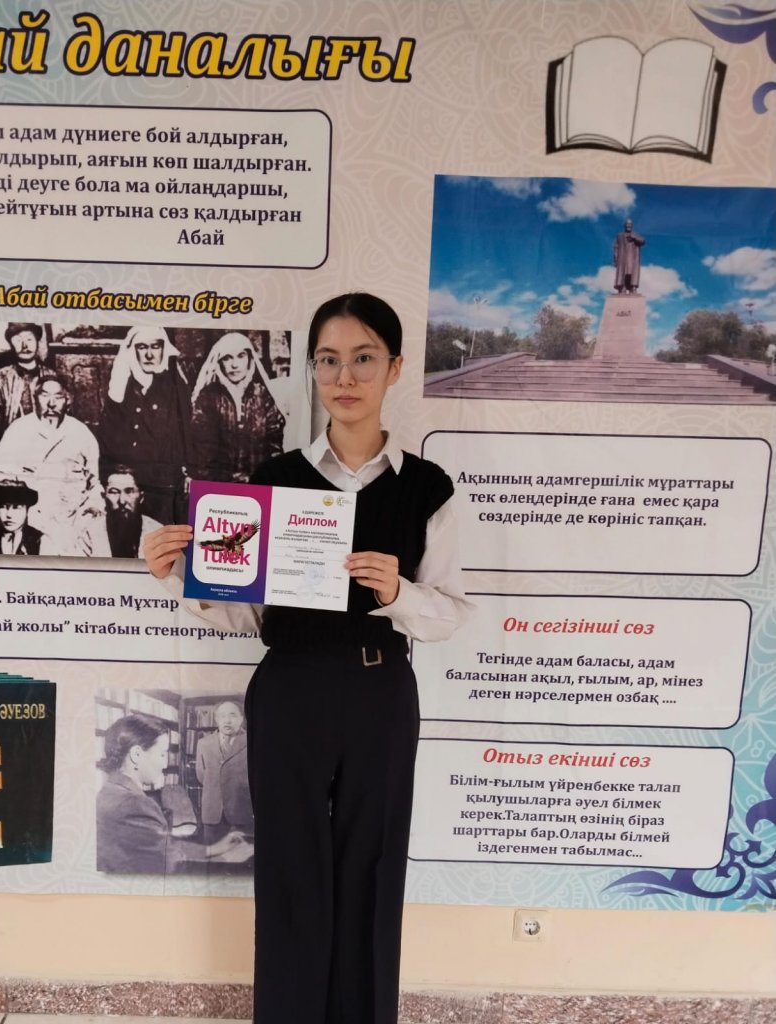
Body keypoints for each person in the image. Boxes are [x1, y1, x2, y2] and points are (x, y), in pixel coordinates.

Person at [144, 293, 472, 1024]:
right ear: (312, 370)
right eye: (329, 360)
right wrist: (178, 576)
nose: (344, 377)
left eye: (363, 358)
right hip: (290, 686)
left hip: (379, 690)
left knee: (373, 866)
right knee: (291, 870)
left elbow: (450, 612)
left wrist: (397, 593)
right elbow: (251, 615)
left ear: (395, 368)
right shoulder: (273, 478)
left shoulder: (427, 488)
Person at [96, 713, 254, 874]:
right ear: (136, 755)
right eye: (162, 753)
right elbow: (169, 867)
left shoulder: (108, 791)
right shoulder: (136, 804)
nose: (165, 764)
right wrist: (225, 859)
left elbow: (163, 846)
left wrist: (212, 849)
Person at [0, 372, 104, 555]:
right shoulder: (18, 430)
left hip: (72, 522)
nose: (51, 403)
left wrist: (92, 510)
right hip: (31, 521)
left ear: (67, 400)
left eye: (58, 397)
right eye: (45, 395)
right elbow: (0, 481)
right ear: (35, 398)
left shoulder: (80, 433)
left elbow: (94, 483)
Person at [99, 325, 194, 525]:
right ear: (133, 351)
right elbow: (108, 436)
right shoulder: (120, 385)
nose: (149, 354)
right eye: (142, 347)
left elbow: (186, 433)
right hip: (129, 481)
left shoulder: (174, 386)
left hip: (164, 483)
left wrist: (188, 472)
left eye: (155, 347)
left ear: (163, 349)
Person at [191, 332, 285, 483]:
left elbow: (275, 447)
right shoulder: (208, 398)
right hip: (219, 486)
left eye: (241, 356)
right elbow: (202, 454)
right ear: (219, 362)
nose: (234, 365)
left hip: (259, 484)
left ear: (250, 359)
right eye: (227, 358)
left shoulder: (262, 395)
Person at [195, 700, 253, 844]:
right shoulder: (204, 743)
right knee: (213, 855)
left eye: (232, 715)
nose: (227, 720)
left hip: (241, 813)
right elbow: (201, 775)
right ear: (216, 719)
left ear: (241, 718)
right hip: (212, 814)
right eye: (222, 716)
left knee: (242, 855)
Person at [0, 322, 46, 446]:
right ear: (11, 345)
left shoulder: (50, 375)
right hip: (13, 447)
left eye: (29, 339)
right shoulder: (3, 377)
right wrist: (7, 446)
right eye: (18, 340)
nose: (24, 345)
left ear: (37, 342)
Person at [102, 465, 163, 560]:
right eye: (114, 492)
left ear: (141, 497)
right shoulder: (89, 534)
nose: (122, 501)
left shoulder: (158, 534)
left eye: (129, 492)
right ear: (104, 497)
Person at [0, 478, 44, 554]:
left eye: (16, 507)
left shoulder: (39, 540)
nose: (9, 515)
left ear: (27, 510)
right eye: (3, 507)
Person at [613, 218, 645, 294]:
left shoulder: (635, 235)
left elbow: (643, 241)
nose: (628, 225)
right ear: (625, 225)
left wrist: (634, 238)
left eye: (630, 224)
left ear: (632, 226)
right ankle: (622, 287)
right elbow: (616, 247)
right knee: (622, 272)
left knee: (631, 272)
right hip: (622, 257)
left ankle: (632, 287)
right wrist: (615, 258)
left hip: (632, 257)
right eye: (627, 224)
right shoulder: (620, 235)